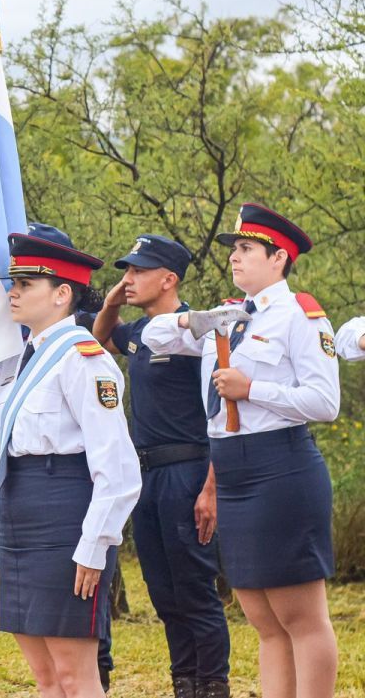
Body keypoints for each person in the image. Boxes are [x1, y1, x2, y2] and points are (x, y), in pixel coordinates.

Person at [142, 203, 340, 698]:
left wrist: (253, 390)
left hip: (281, 469)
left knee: (301, 617)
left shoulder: (302, 316)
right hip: (232, 473)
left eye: (247, 249)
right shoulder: (228, 317)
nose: (235, 257)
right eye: (234, 249)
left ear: (278, 258)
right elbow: (151, 333)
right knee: (263, 618)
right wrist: (197, 319)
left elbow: (325, 402)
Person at [0, 228, 141, 698]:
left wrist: (94, 546)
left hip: (64, 516)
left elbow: (117, 469)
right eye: (12, 283)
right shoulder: (20, 358)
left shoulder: (83, 359)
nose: (12, 293)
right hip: (21, 510)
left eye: (25, 285)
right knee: (46, 676)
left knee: (76, 675)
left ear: (61, 294)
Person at [91, 234, 231, 698]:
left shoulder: (199, 332)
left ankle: (212, 683)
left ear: (168, 279)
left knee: (194, 585)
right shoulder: (135, 333)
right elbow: (99, 339)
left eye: (138, 271)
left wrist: (211, 487)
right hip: (147, 475)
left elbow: (219, 415)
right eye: (126, 270)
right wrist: (112, 300)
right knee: (162, 587)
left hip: (188, 469)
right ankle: (183, 681)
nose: (128, 279)